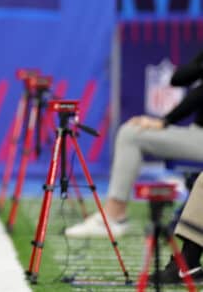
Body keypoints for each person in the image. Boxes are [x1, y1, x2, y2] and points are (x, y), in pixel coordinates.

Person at [66, 49, 203, 238]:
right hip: (196, 132)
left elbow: (200, 93)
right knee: (130, 133)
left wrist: (165, 121)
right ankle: (115, 214)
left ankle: (114, 216)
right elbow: (178, 79)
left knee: (131, 135)